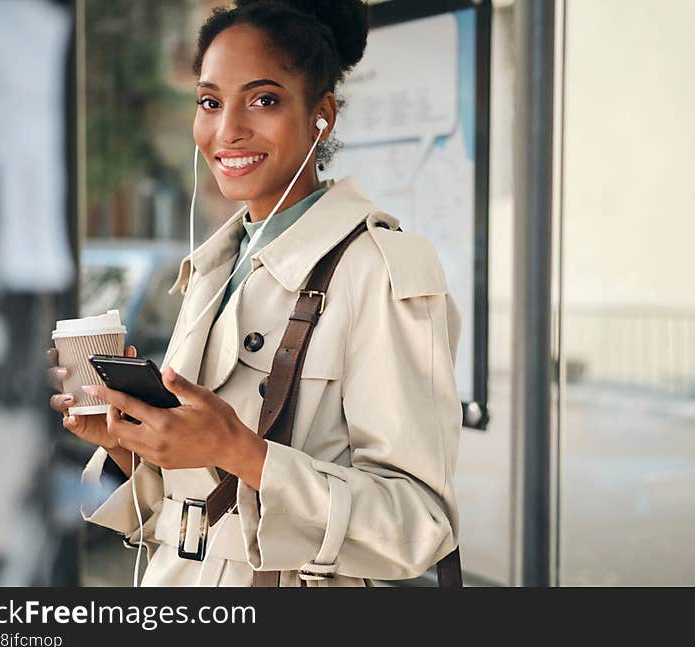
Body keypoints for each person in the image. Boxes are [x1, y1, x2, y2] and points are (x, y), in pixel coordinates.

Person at [47, 0, 462, 587]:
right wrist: (124, 441)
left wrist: (241, 452)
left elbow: (418, 526)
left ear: (323, 115)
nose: (228, 129)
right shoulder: (216, 265)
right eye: (210, 102)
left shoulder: (381, 268)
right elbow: (186, 502)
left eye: (264, 100)